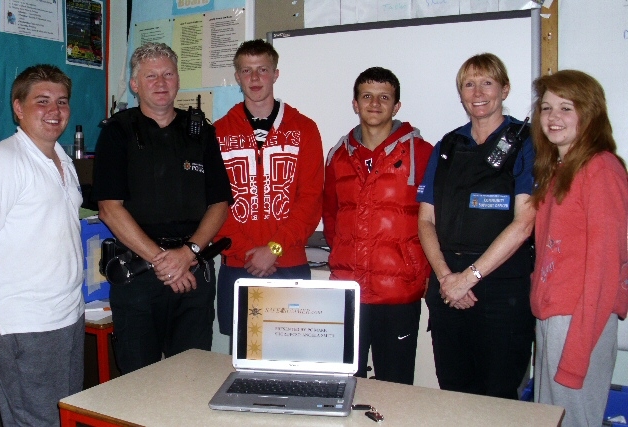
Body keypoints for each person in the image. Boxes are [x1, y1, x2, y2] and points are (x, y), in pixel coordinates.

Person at [91, 42, 233, 374]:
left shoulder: (200, 132)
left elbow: (219, 203)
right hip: (138, 274)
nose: (160, 82)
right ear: (134, 84)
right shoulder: (117, 132)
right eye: (150, 75)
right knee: (138, 380)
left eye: (168, 73)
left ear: (178, 80)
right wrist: (163, 262)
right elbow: (110, 209)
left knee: (190, 376)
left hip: (194, 271)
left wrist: (188, 253)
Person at [417, 53, 536, 398]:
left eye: (487, 82)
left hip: (501, 288)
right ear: (461, 93)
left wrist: (468, 278)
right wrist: (446, 278)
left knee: (498, 396)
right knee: (454, 390)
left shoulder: (527, 142)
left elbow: (525, 222)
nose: (478, 91)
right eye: (469, 84)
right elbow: (425, 220)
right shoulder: (448, 145)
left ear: (505, 89)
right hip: (447, 284)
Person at [530, 70, 628, 426]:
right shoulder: (561, 168)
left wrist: (576, 353)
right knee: (550, 419)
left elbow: (605, 270)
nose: (553, 118)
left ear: (589, 113)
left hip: (579, 322)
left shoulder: (601, 170)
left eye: (565, 108)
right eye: (546, 108)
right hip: (554, 318)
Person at [322, 67, 433, 385]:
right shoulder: (338, 156)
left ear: (396, 106)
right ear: (355, 104)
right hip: (348, 293)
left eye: (384, 97)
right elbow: (331, 215)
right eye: (366, 96)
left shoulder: (422, 154)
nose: (374, 103)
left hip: (399, 296)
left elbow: (434, 221)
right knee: (342, 384)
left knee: (395, 389)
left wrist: (419, 271)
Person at [0, 64, 84, 426]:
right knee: (36, 421)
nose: (54, 111)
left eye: (61, 102)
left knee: (63, 417)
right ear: (18, 107)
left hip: (67, 315)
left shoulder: (62, 159)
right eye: (42, 101)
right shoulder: (2, 161)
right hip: (25, 324)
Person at [213, 39, 324, 336]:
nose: (254, 78)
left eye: (262, 69)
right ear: (237, 77)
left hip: (288, 263)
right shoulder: (218, 133)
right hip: (239, 264)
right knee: (241, 359)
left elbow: (311, 199)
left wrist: (273, 249)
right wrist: (250, 252)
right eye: (246, 71)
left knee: (292, 353)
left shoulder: (305, 129)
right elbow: (213, 203)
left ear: (275, 74)